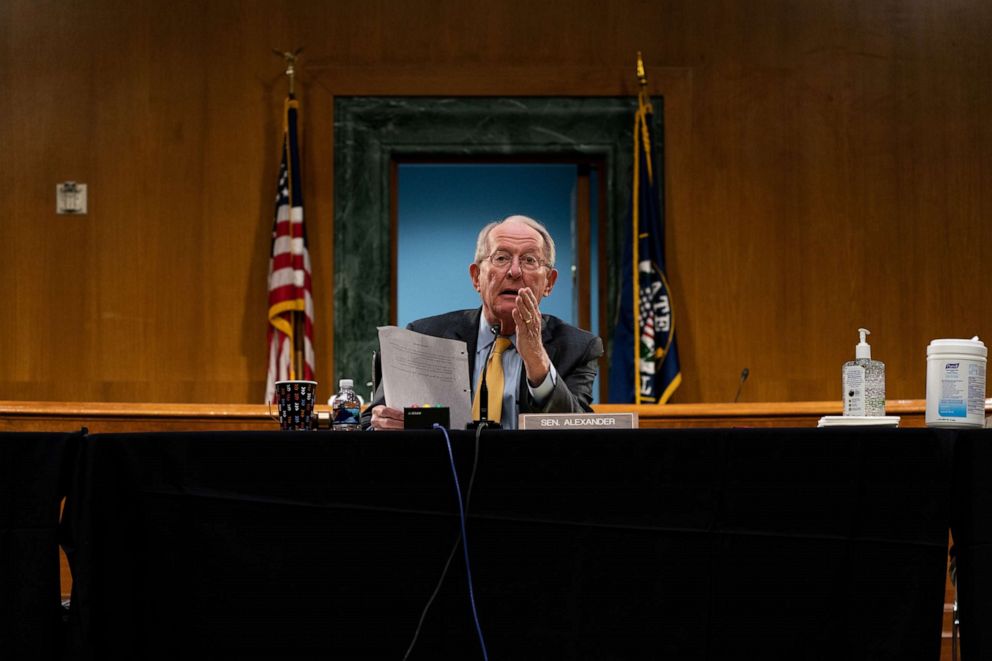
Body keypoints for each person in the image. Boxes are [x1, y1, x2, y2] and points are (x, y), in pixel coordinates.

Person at [366, 214, 604, 430]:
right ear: (476, 277)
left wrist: (536, 359)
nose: (514, 271)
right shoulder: (424, 337)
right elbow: (370, 423)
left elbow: (577, 434)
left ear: (549, 282)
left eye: (529, 260)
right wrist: (386, 422)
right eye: (501, 258)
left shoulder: (578, 348)